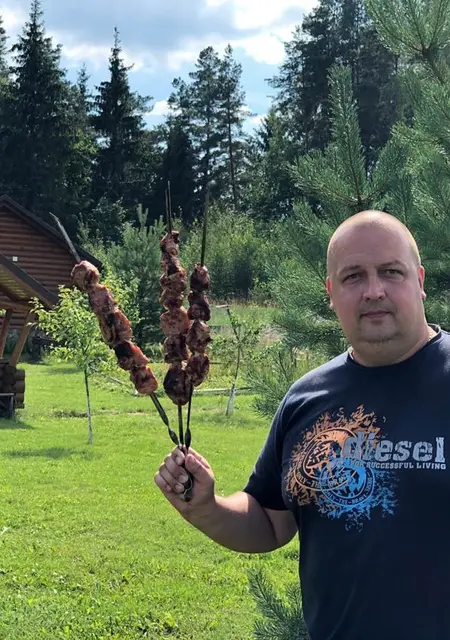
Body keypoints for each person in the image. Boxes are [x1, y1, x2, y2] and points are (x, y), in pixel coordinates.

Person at [154, 210, 450, 640]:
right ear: (331, 293)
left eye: (391, 271)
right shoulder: (307, 399)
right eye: (353, 276)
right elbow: (269, 520)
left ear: (419, 281)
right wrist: (208, 507)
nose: (374, 290)